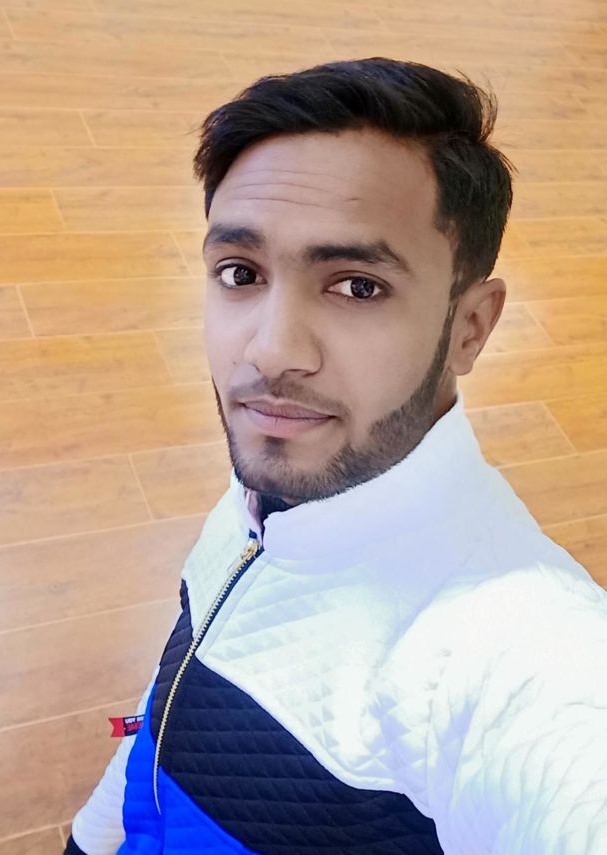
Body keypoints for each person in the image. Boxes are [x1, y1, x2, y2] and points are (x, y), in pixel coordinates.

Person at [64, 58, 607, 854]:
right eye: (240, 273)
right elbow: (166, 708)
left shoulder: (520, 656)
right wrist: (89, 837)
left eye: (357, 286)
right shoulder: (274, 491)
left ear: (470, 326)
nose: (271, 351)